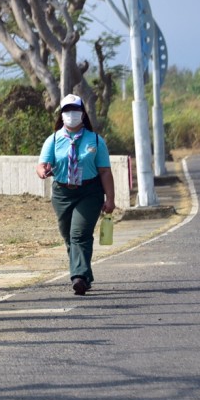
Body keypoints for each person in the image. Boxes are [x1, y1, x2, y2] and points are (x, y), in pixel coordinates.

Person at [35, 94, 116, 295]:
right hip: (62, 193)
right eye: (67, 111)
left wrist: (111, 198)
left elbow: (105, 171)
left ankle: (78, 276)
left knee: (78, 233)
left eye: (75, 110)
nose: (71, 114)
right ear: (61, 115)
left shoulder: (95, 140)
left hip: (89, 192)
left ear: (82, 113)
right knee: (68, 236)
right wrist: (42, 171)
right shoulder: (53, 140)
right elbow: (41, 164)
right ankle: (85, 275)